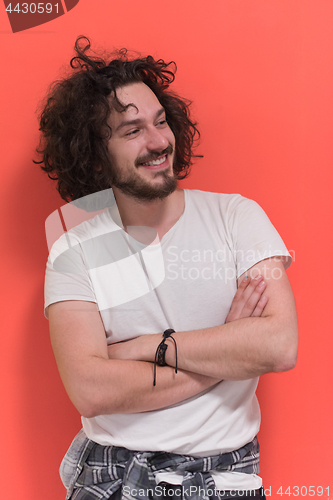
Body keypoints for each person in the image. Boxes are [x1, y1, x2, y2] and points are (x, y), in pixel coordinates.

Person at [37, 36, 298, 500]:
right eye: (132, 130)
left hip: (227, 477)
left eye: (161, 122)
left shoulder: (239, 217)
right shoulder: (72, 250)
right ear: (96, 152)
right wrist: (226, 353)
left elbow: (278, 345)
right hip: (111, 476)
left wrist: (144, 347)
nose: (159, 142)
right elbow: (91, 389)